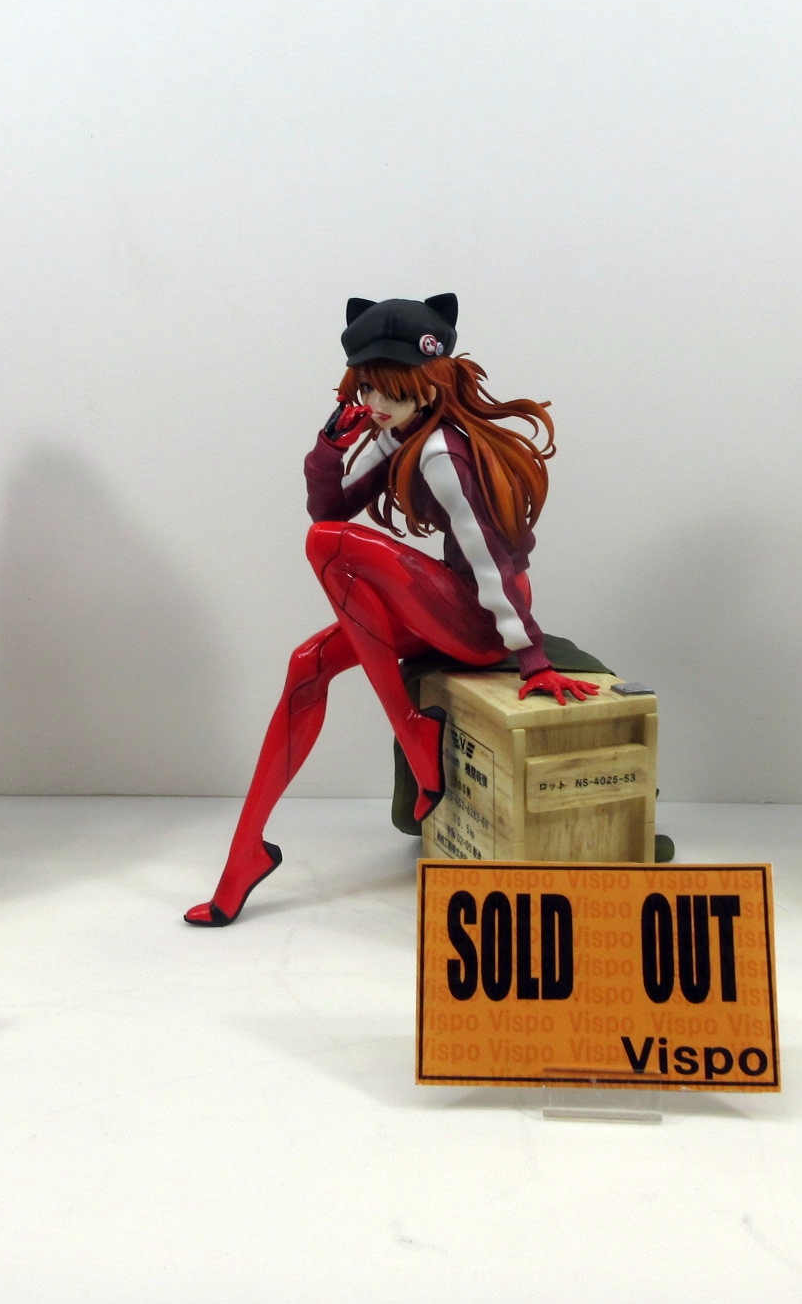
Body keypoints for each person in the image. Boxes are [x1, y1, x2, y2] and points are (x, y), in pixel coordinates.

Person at [185, 294, 598, 926]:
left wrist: (532, 656)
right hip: (448, 610)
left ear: (430, 383)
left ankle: (411, 729)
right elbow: (332, 509)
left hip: (482, 622)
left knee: (326, 547)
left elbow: (491, 556)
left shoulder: (442, 454)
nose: (376, 403)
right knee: (306, 665)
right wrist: (327, 452)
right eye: (368, 388)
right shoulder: (399, 436)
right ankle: (246, 854)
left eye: (391, 390)